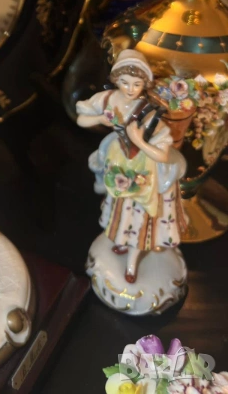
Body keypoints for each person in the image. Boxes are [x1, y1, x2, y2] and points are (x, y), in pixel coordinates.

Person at [76, 50, 187, 284]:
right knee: (120, 207)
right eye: (125, 82)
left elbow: (162, 154)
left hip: (143, 168)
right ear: (116, 79)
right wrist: (99, 119)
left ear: (144, 85)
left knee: (139, 215)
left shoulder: (148, 111)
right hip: (118, 161)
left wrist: (139, 141)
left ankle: (132, 262)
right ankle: (122, 240)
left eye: (137, 84)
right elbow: (81, 118)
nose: (130, 89)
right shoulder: (106, 99)